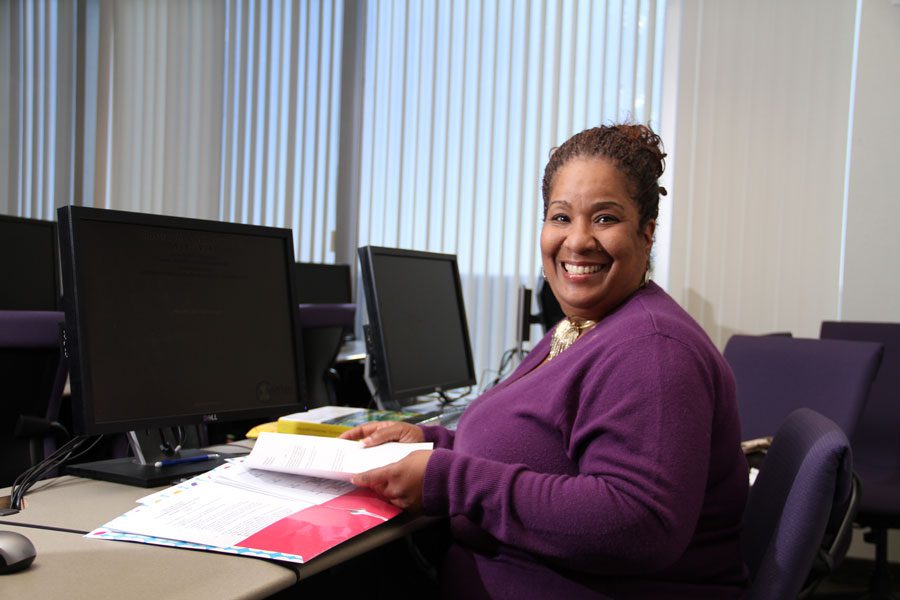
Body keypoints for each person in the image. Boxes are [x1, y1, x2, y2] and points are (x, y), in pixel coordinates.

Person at [341, 123, 750, 598]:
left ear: (647, 232)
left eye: (604, 218)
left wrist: (451, 479)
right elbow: (541, 445)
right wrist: (435, 441)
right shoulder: (582, 324)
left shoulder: (653, 350)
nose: (577, 241)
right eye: (560, 217)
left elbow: (640, 524)